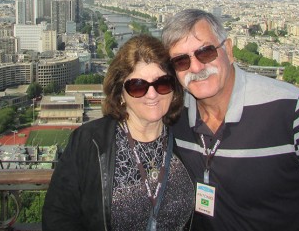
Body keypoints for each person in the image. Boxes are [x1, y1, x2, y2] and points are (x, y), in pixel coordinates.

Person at [161, 9, 299, 231]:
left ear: (229, 50)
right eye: (181, 61)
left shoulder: (295, 111)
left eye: (205, 52)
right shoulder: (174, 115)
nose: (196, 67)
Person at [42, 34, 195, 231]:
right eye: (138, 86)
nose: (152, 94)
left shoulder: (187, 135)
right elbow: (59, 215)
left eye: (162, 83)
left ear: (173, 88)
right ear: (120, 93)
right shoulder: (90, 141)